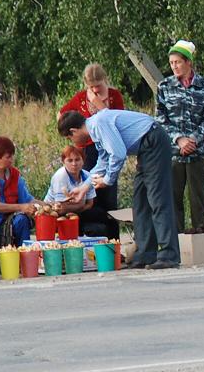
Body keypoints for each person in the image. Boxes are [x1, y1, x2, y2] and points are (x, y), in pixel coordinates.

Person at [58, 108, 180, 269]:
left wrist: (108, 180)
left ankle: (169, 254)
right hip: (145, 149)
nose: (73, 142)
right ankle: (146, 253)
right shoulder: (95, 131)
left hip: (154, 140)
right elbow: (103, 162)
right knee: (140, 202)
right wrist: (83, 188)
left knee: (158, 200)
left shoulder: (99, 123)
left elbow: (118, 154)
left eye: (70, 137)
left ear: (74, 131)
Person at [156, 39, 204, 232]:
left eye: (178, 62)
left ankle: (201, 238)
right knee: (173, 197)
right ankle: (177, 241)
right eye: (172, 63)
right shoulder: (164, 86)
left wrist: (193, 140)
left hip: (197, 152)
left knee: (197, 198)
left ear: (188, 62)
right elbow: (160, 118)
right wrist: (179, 139)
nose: (174, 66)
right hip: (173, 152)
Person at [58, 63, 125, 217]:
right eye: (91, 86)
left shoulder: (115, 96)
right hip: (88, 149)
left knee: (108, 190)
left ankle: (112, 234)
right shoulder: (81, 98)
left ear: (105, 80)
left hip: (109, 146)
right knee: (91, 191)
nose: (95, 90)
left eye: (98, 86)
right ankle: (91, 232)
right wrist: (71, 135)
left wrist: (97, 103)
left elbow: (113, 120)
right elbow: (62, 114)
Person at [44, 145, 119, 239]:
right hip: (55, 213)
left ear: (83, 161)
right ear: (63, 162)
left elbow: (90, 204)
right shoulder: (60, 176)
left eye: (77, 159)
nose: (74, 164)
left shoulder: (88, 176)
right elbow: (61, 208)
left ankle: (111, 243)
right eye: (70, 160)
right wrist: (80, 205)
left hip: (78, 212)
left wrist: (77, 209)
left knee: (101, 214)